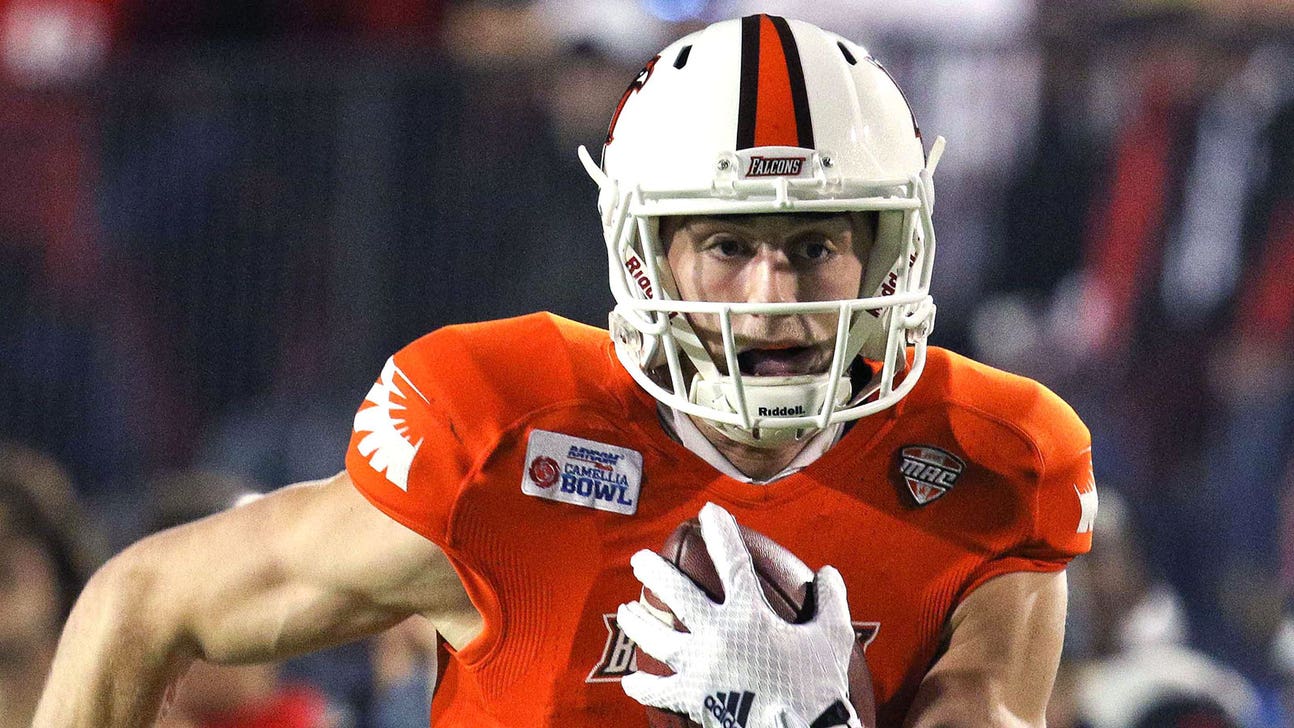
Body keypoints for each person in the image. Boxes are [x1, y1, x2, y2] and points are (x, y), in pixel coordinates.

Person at [33, 14, 1095, 728]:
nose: (772, 297)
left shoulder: (988, 457)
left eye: (815, 244)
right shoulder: (505, 431)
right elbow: (140, 599)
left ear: (885, 247)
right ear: (645, 253)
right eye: (728, 246)